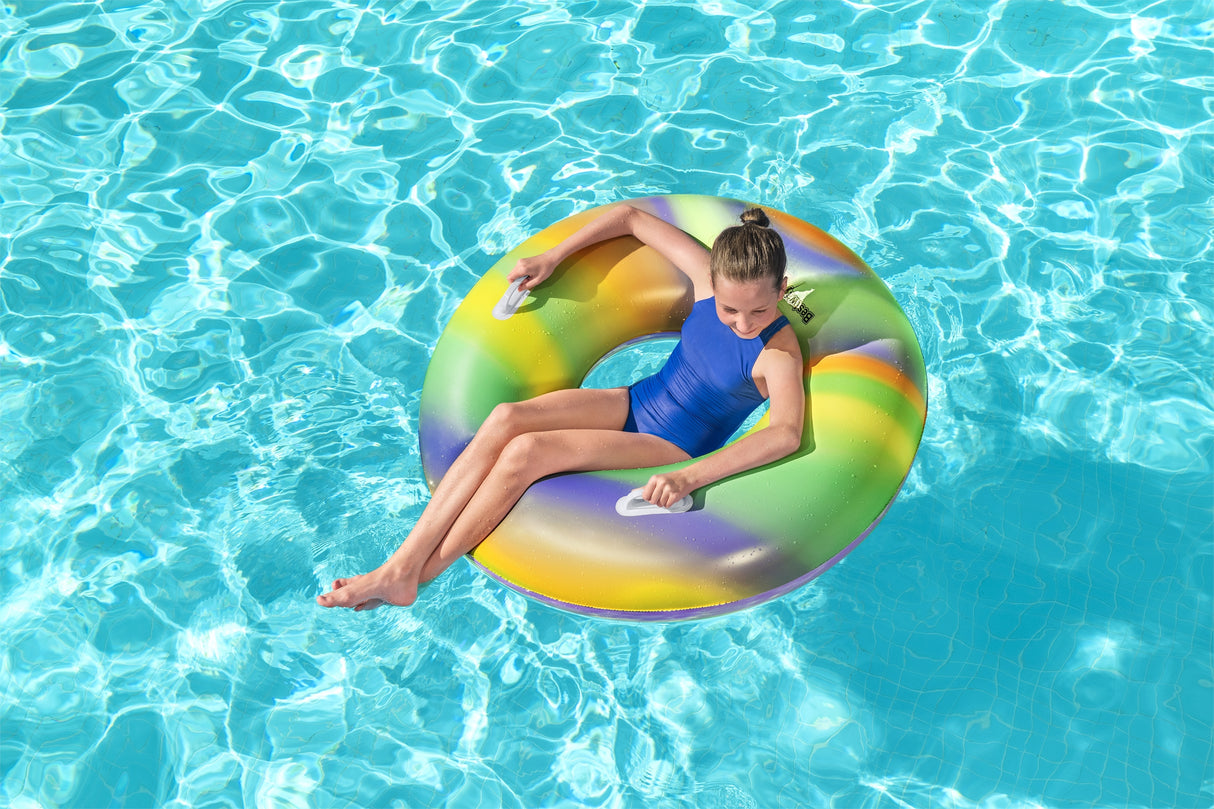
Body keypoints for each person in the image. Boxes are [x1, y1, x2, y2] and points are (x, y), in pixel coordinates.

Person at [317, 204, 805, 611]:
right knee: (508, 417)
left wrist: (690, 476)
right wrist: (552, 257)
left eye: (758, 310)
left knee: (526, 451)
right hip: (637, 399)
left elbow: (783, 432)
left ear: (781, 291)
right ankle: (400, 566)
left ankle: (409, 574)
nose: (742, 322)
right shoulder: (706, 276)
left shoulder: (777, 353)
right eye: (729, 309)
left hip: (671, 444)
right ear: (714, 284)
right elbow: (632, 217)